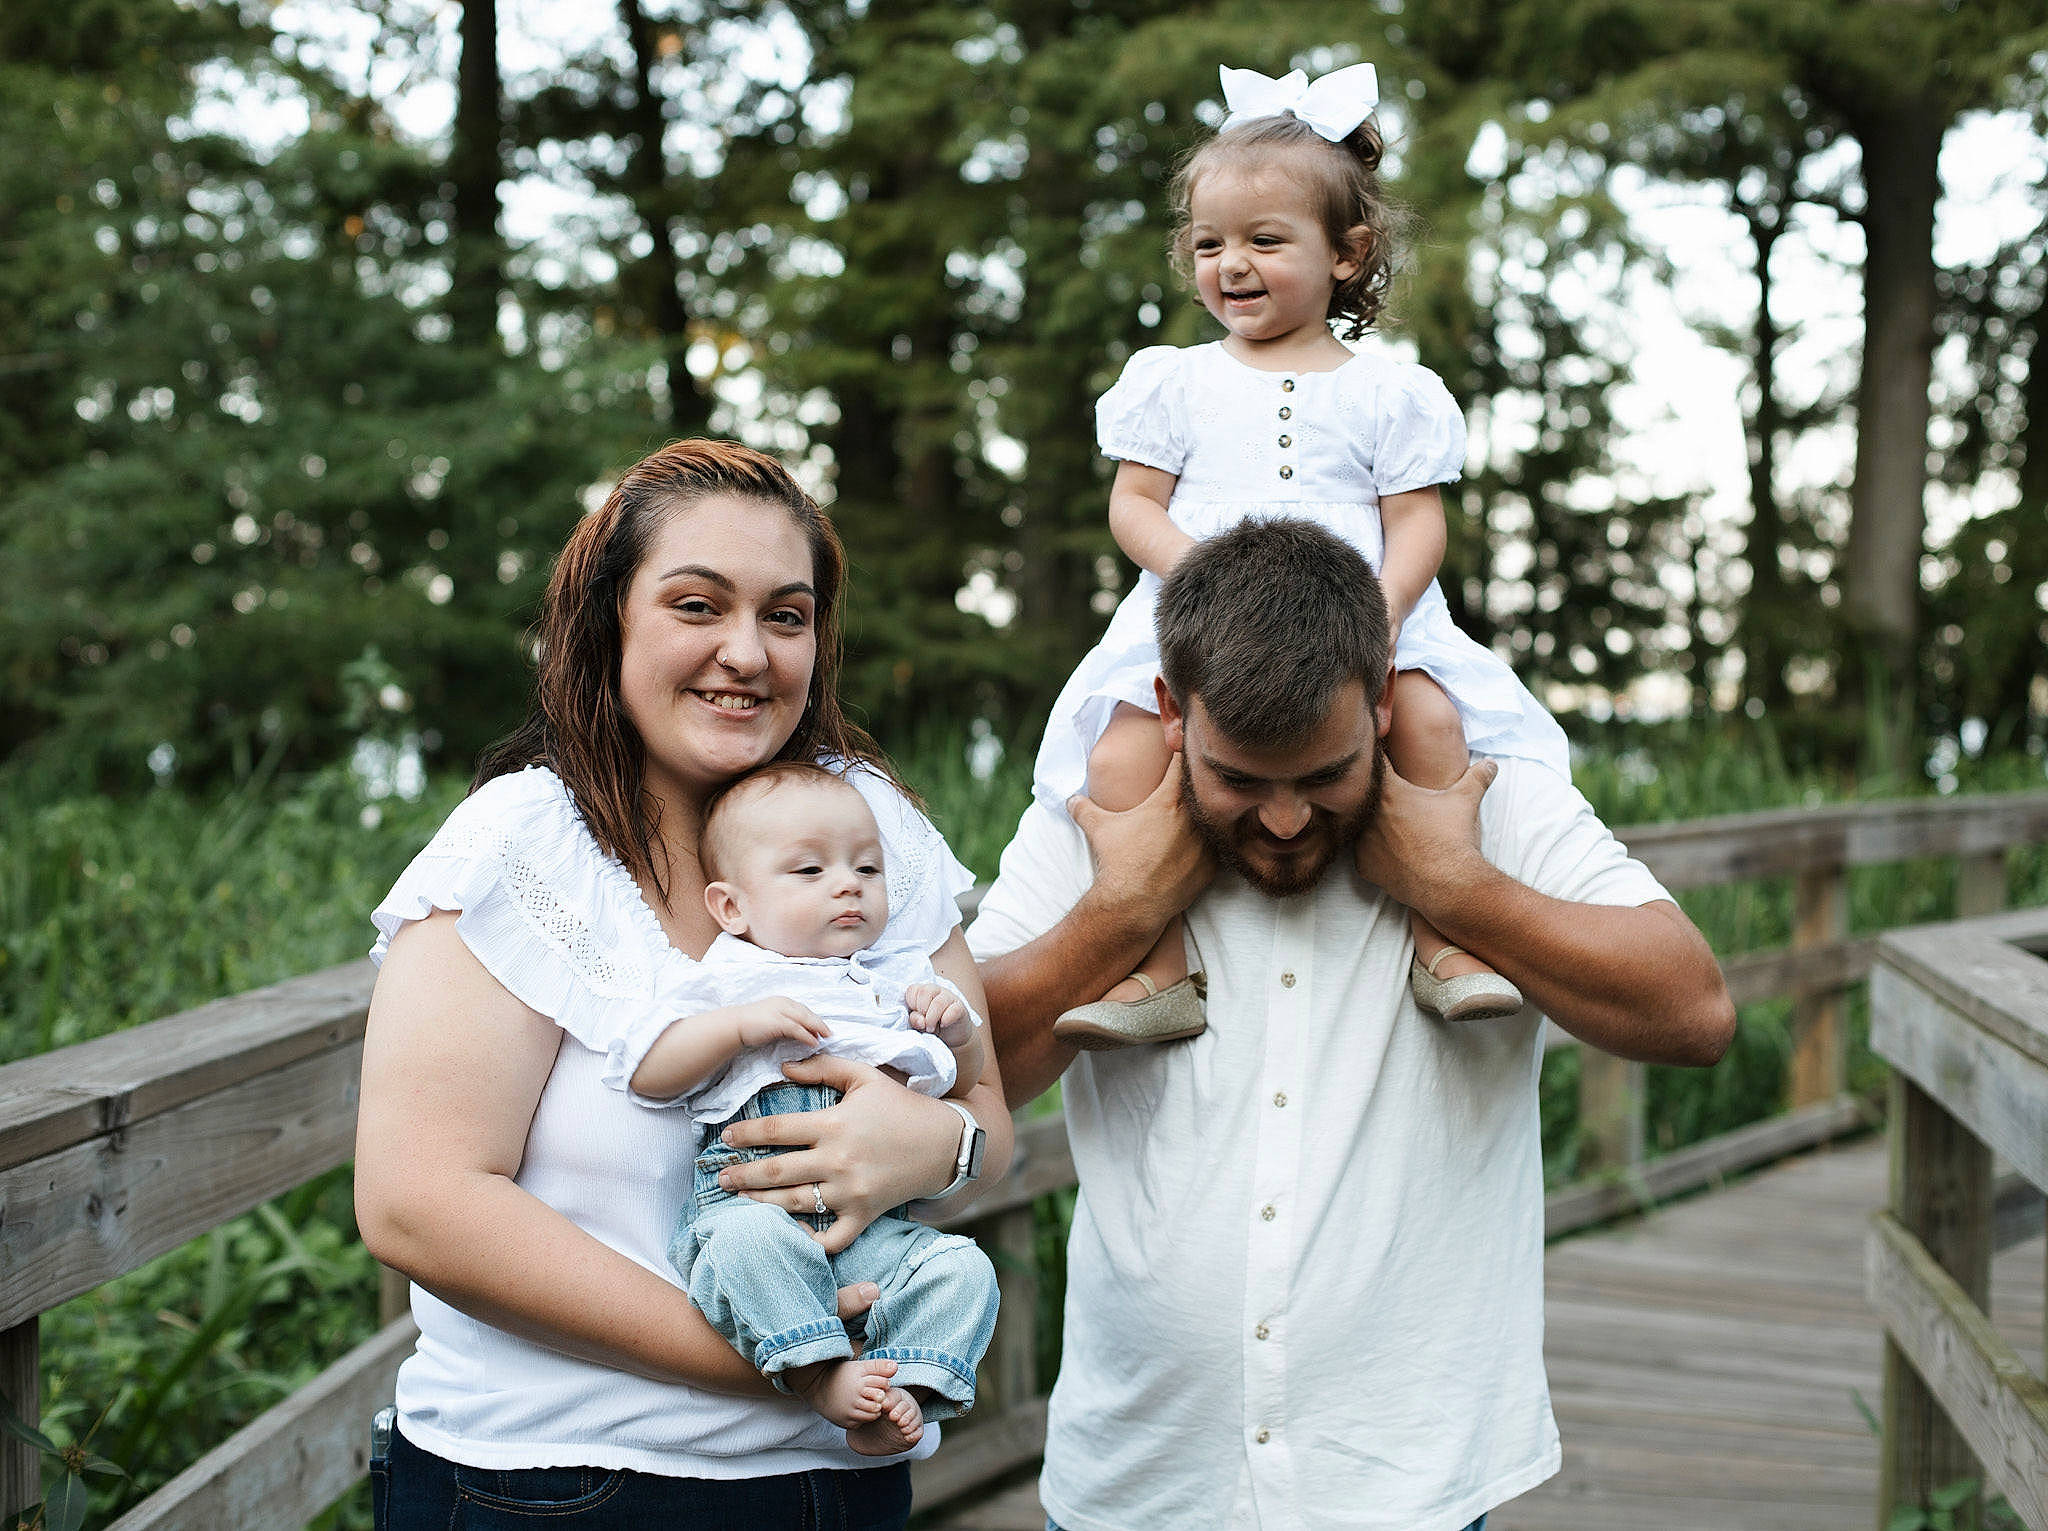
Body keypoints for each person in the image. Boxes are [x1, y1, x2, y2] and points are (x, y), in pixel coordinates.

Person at [974, 517, 1736, 1531]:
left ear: (1381, 702)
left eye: (1323, 774)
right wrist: (1119, 912)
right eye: (1240, 779)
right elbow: (960, 1075)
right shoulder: (1087, 826)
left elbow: (1694, 1011)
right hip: (1136, 1477)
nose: (1284, 819)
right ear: (1170, 712)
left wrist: (1458, 889)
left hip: (1405, 1484)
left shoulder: (1491, 802)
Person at [354, 439, 1011, 1531]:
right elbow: (419, 1205)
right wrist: (781, 1363)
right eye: (697, 605)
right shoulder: (523, 848)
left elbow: (983, 1110)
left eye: (786, 616)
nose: (745, 653)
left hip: (840, 1486)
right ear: (609, 620)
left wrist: (936, 1147)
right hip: (555, 1487)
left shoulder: (866, 826)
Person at [1038, 62, 1569, 1049]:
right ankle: (1152, 961)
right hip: (1200, 621)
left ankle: (1445, 938)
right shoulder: (1174, 383)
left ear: (1345, 252)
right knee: (1118, 750)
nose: (1229, 263)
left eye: (1263, 240)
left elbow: (1415, 521)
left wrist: (1379, 609)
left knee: (1427, 723)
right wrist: (1204, 580)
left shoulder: (1386, 392)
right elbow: (1134, 505)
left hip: (1364, 620)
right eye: (1208, 243)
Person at [628, 762, 998, 1458]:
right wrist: (737, 1028)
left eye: (867, 866)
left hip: (874, 1227)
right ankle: (822, 1376)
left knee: (961, 1266)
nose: (848, 882)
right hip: (754, 1208)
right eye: (809, 870)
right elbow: (650, 1073)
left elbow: (960, 1084)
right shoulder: (727, 974)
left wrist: (956, 1031)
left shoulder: (895, 978)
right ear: (733, 906)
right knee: (742, 1250)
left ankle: (902, 1388)